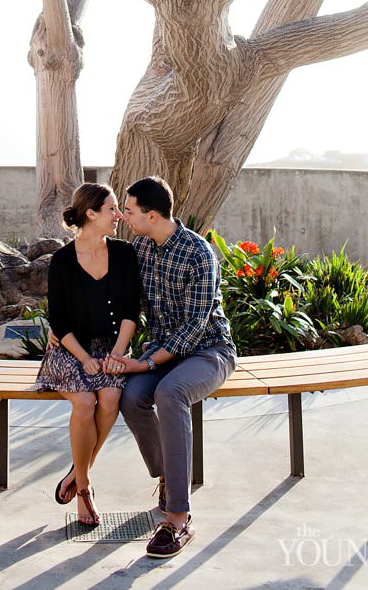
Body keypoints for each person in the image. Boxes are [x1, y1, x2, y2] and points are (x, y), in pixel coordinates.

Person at [108, 176, 236, 560]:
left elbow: (195, 327)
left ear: (151, 215)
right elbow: (125, 304)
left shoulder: (199, 253)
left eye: (129, 212)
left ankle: (179, 517)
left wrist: (146, 362)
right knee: (131, 397)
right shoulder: (142, 249)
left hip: (208, 351)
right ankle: (167, 474)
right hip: (163, 352)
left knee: (170, 392)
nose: (124, 217)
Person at [35, 182, 141, 527]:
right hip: (70, 349)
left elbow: (130, 310)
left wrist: (117, 352)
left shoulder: (124, 253)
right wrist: (84, 358)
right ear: (91, 214)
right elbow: (60, 320)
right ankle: (83, 488)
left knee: (109, 397)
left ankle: (75, 473)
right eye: (111, 209)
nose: (118, 216)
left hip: (111, 345)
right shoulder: (62, 261)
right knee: (85, 403)